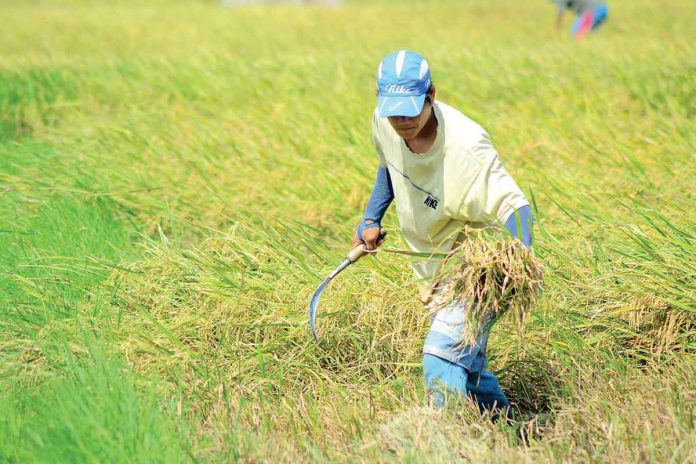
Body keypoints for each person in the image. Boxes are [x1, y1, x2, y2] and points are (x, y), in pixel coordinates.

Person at [353, 50, 534, 419]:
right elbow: (389, 165)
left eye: (410, 109)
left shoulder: (468, 148)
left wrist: (516, 265)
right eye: (393, 109)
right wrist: (371, 219)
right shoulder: (384, 122)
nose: (401, 120)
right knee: (466, 368)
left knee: (441, 357)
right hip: (433, 269)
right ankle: (511, 430)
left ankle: (448, 441)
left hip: (476, 270)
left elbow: (516, 207)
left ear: (431, 96)